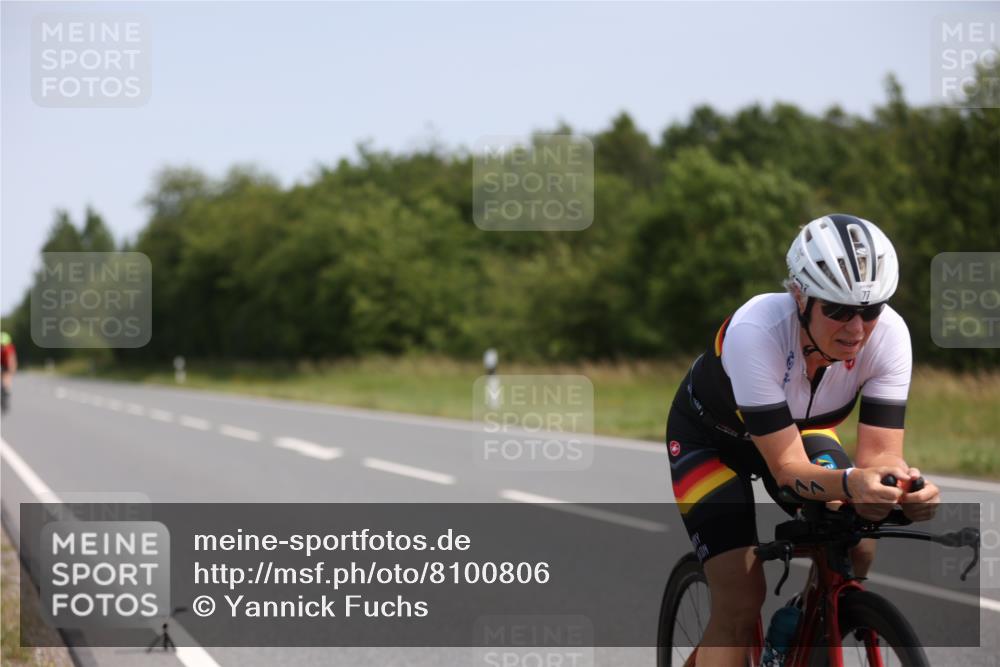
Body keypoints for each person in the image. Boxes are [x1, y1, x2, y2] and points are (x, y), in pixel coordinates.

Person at [665, 214, 940, 666]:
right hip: (711, 443)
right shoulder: (757, 330)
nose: (856, 329)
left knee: (858, 543)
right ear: (799, 296)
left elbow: (880, 456)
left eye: (870, 310)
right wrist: (852, 483)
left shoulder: (890, 336)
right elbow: (788, 469)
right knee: (740, 598)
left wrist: (904, 488)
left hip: (799, 433)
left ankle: (799, 628)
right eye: (837, 310)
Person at [1, 330, 16, 414]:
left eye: (3, 345)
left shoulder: (9, 348)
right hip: (2, 363)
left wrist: (11, 371)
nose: (2, 347)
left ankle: (6, 391)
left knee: (6, 379)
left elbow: (12, 360)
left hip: (6, 364)